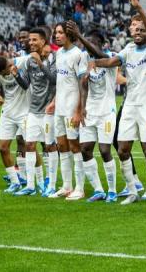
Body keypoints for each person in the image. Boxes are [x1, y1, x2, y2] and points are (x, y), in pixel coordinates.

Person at [91, 0, 146, 206]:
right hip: (130, 105)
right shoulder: (129, 49)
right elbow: (112, 62)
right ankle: (132, 191)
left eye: (142, 30)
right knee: (123, 149)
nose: (138, 33)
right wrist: (93, 63)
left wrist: (139, 8)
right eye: (136, 30)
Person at [72, 25, 119, 203]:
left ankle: (112, 191)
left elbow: (99, 54)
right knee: (85, 149)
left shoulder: (109, 57)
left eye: (92, 42)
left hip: (106, 111)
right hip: (90, 111)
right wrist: (82, 107)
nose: (88, 46)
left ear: (100, 44)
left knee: (105, 150)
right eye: (87, 42)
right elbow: (83, 86)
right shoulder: (84, 60)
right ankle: (98, 190)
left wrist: (79, 36)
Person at [15, 28, 57, 197]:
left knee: (49, 146)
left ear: (43, 41)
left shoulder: (53, 58)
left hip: (49, 111)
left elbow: (54, 80)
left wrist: (40, 63)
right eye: (30, 40)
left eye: (34, 40)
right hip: (33, 110)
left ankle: (51, 184)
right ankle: (31, 186)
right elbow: (26, 85)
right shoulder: (28, 61)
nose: (30, 42)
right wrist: (16, 76)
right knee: (29, 145)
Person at [52, 22, 88, 201]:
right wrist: (53, 102)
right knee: (61, 145)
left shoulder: (78, 54)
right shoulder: (58, 53)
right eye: (56, 33)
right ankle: (67, 186)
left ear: (69, 34)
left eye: (60, 33)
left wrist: (78, 111)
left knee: (74, 146)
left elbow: (83, 84)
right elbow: (61, 82)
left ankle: (80, 188)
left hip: (72, 107)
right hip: (59, 107)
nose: (57, 36)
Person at [0, 55, 32, 193]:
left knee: (30, 146)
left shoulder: (22, 62)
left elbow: (26, 86)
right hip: (8, 112)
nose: (4, 74)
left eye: (6, 71)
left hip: (25, 112)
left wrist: (16, 74)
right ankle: (15, 182)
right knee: (2, 148)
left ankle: (36, 181)